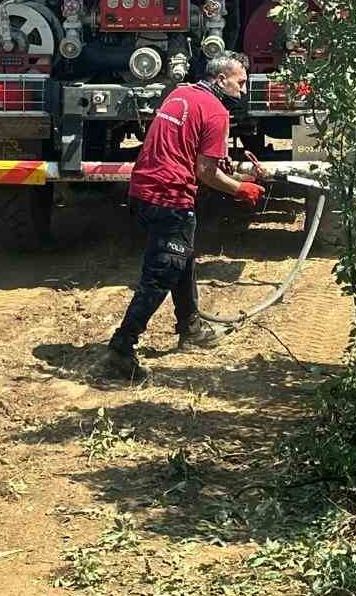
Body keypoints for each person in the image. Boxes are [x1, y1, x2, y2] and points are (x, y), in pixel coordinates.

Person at [101, 53, 266, 381]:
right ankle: (121, 348)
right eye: (241, 82)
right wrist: (240, 190)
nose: (243, 91)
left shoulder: (180, 93)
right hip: (169, 197)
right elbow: (204, 172)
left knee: (182, 257)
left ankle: (191, 327)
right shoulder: (217, 111)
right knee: (161, 273)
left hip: (141, 191)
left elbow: (188, 146)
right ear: (221, 80)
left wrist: (230, 169)